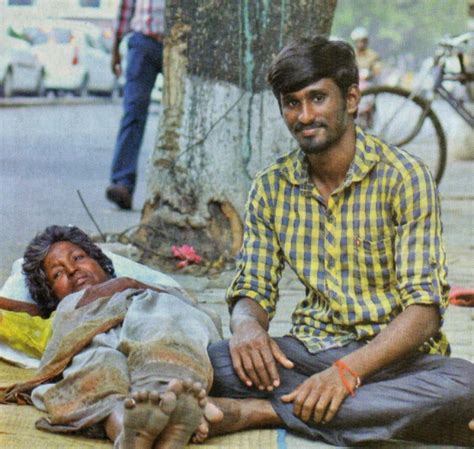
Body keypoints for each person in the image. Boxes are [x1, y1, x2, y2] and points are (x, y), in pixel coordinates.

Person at [205, 36, 474, 446]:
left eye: (317, 98)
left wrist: (348, 374)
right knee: (212, 363)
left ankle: (264, 412)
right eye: (292, 103)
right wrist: (246, 327)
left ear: (350, 100)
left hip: (397, 360)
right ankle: (377, 418)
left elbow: (424, 312)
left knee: (465, 385)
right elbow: (253, 286)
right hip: (310, 353)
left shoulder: (404, 177)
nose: (305, 115)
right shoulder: (271, 186)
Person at [0, 225, 223, 449]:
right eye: (57, 274)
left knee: (166, 327)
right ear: (51, 295)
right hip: (88, 339)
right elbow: (20, 313)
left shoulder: (137, 289)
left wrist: (129, 284)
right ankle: (130, 433)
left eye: (78, 257)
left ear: (99, 261)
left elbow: (189, 309)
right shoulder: (65, 310)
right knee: (95, 370)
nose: (72, 270)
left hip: (147, 317)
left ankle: (166, 396)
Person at [106, 0, 165, 210]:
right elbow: (125, 8)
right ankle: (122, 182)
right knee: (133, 112)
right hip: (143, 42)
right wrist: (116, 48)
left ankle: (173, 191)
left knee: (183, 117)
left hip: (179, 44)